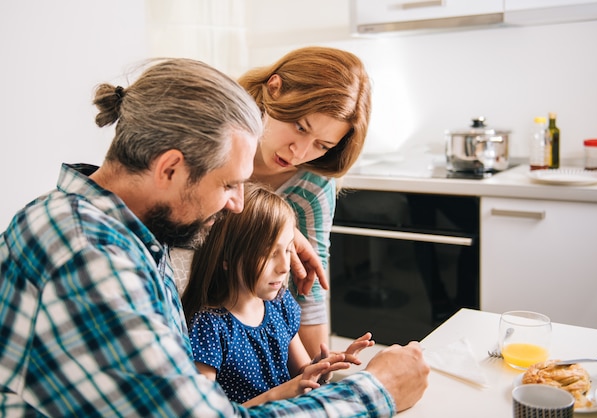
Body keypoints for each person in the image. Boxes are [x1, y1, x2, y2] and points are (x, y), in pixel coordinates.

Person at [0, 57, 429, 416]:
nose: (237, 206)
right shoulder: (93, 260)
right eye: (229, 185)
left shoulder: (107, 227)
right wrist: (379, 388)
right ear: (170, 168)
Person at [171, 46, 372, 357]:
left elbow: (309, 288)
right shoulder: (213, 132)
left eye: (322, 144)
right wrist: (281, 226)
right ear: (274, 89)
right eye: (300, 127)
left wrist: (320, 371)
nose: (299, 152)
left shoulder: (313, 184)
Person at [182, 183, 374, 405]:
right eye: (269, 253)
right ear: (227, 258)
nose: (284, 267)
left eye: (287, 250)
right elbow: (206, 412)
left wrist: (321, 368)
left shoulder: (280, 302)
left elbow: (300, 374)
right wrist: (280, 393)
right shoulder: (208, 325)